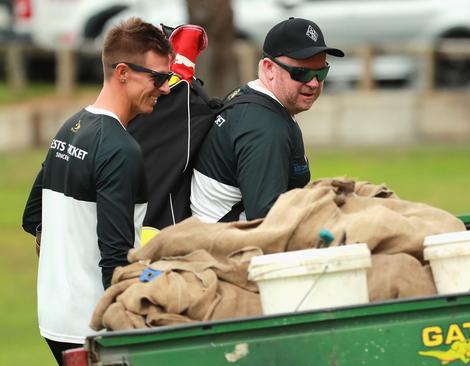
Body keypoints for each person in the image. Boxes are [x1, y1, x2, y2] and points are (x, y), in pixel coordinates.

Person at [21, 18, 173, 365]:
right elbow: (115, 261)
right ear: (122, 72)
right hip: (96, 332)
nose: (165, 88)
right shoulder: (121, 149)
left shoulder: (70, 128)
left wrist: (66, 275)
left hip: (55, 321)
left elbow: (33, 217)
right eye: (158, 78)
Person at [190, 17, 344, 223]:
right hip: (227, 248)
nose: (314, 83)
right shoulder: (264, 128)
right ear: (269, 68)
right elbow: (267, 222)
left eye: (321, 72)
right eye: (302, 73)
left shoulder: (252, 98)